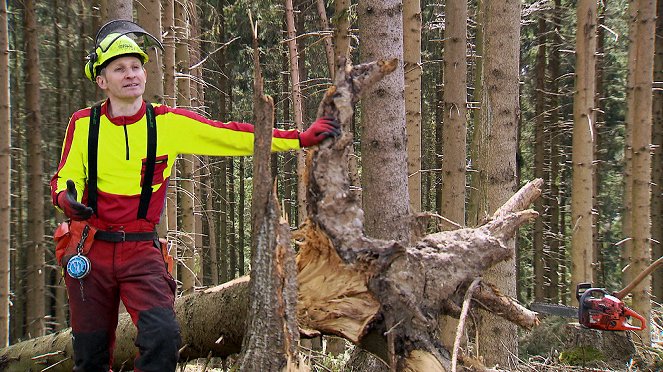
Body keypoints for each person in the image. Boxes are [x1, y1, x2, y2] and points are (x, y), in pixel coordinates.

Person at [50, 20, 339, 372]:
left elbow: (232, 136)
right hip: (90, 249)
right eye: (119, 68)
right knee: (90, 355)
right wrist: (68, 199)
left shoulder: (167, 124)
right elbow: (67, 177)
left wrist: (300, 138)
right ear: (101, 79)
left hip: (140, 251)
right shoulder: (84, 124)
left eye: (136, 66)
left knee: (163, 338)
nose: (131, 74)